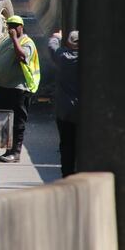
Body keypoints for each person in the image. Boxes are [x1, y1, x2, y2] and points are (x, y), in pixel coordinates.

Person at [0, 15, 41, 163]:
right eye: (9, 25)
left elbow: (22, 57)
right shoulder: (7, 41)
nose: (11, 28)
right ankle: (8, 151)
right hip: (6, 86)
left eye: (14, 25)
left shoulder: (27, 42)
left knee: (18, 121)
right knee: (6, 119)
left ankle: (16, 153)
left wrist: (14, 39)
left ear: (21, 27)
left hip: (19, 88)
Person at [49, 30, 79, 177]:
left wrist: (56, 37)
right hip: (83, 111)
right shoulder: (88, 59)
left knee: (66, 144)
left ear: (68, 43)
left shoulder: (62, 57)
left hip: (65, 111)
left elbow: (52, 46)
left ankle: (67, 174)